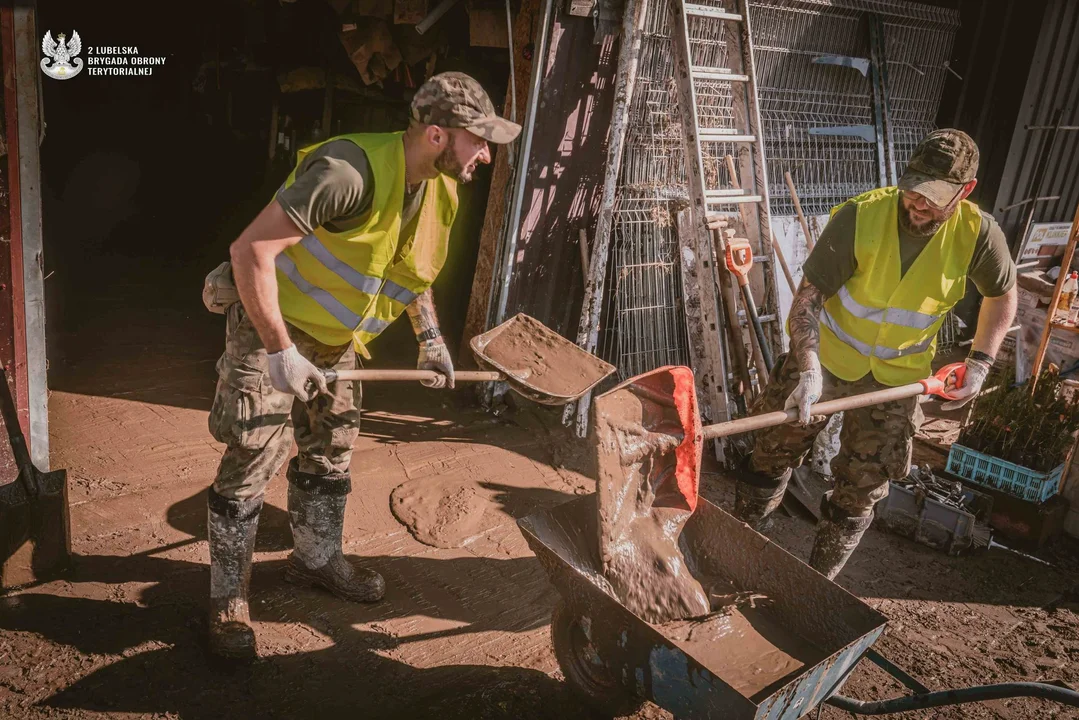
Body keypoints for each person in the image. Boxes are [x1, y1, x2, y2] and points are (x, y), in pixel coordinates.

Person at [199, 71, 521, 659]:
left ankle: (316, 559)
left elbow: (410, 269)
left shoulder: (442, 188)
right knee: (252, 456)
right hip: (273, 328)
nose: (485, 154)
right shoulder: (349, 172)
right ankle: (227, 601)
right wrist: (279, 353)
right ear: (435, 135)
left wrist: (431, 340)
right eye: (478, 140)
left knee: (331, 447)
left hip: (337, 340)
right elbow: (250, 251)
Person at [725, 129, 1017, 580]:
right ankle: (732, 546)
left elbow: (1003, 296)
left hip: (898, 379)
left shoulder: (979, 236)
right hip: (825, 359)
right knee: (771, 449)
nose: (918, 202)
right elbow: (807, 302)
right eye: (914, 187)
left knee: (865, 484)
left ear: (966, 190)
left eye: (935, 195)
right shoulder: (861, 216)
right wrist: (807, 370)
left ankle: (817, 585)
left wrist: (980, 361)